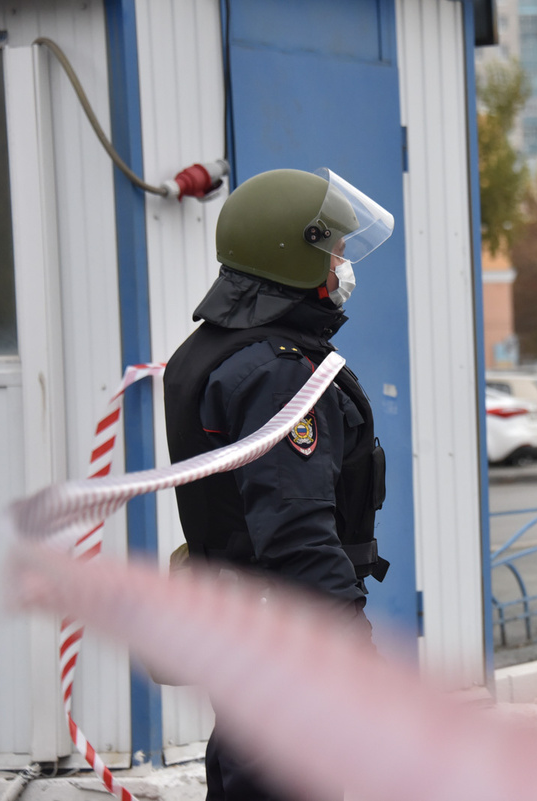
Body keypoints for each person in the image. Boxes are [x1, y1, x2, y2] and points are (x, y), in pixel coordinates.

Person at [163, 167, 394, 801]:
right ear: (295, 254)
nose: (344, 267)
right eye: (336, 252)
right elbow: (295, 533)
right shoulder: (277, 374)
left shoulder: (218, 349)